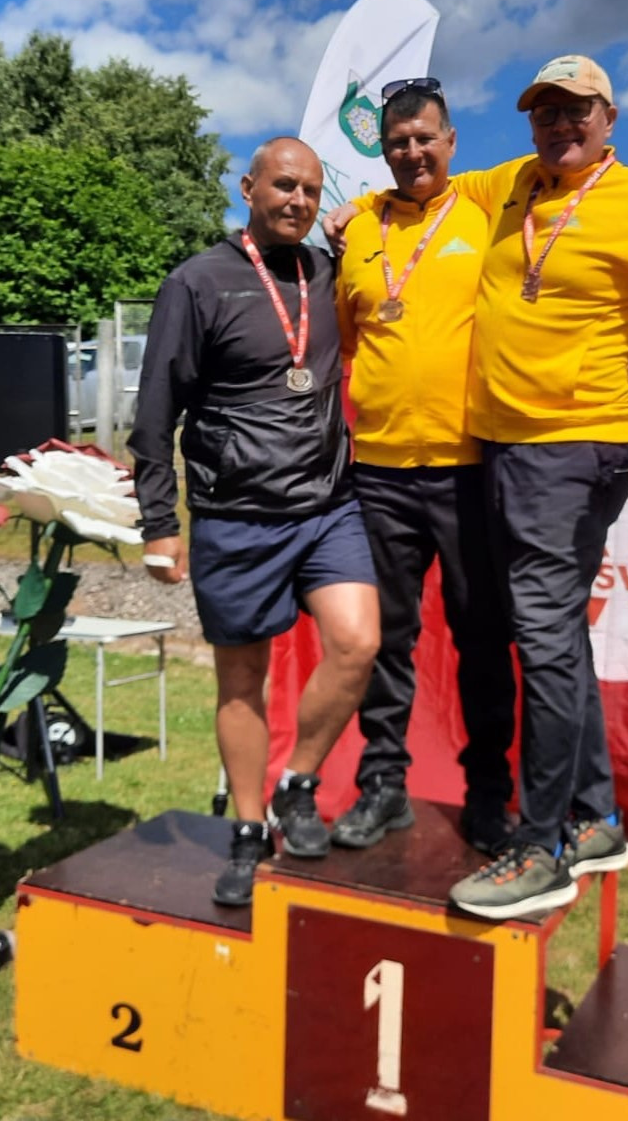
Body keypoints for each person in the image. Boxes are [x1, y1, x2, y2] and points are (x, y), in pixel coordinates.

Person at [337, 55, 628, 920]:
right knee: (555, 638)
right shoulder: (509, 184)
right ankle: (594, 818)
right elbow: (412, 186)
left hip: (570, 446)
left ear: (610, 117)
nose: (560, 125)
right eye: (546, 111)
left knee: (541, 640)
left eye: (577, 110)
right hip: (506, 449)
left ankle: (541, 847)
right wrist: (352, 211)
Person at [128, 136, 380, 908]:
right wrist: (158, 521)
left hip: (327, 505)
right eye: (283, 185)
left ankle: (297, 783)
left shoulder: (328, 272)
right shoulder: (196, 282)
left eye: (309, 189)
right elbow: (155, 412)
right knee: (242, 681)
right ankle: (246, 828)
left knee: (358, 643)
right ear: (248, 188)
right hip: (235, 516)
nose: (297, 200)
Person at [330, 80, 517, 855]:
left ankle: (489, 796)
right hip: (378, 470)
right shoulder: (358, 228)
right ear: (383, 150)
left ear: (451, 142)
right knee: (384, 640)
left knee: (483, 640)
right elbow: (348, 337)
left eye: (424, 139)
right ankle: (383, 786)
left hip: (468, 467)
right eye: (397, 142)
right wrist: (351, 209)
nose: (411, 152)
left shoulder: (486, 210)